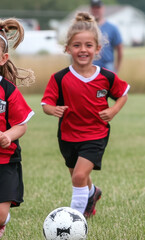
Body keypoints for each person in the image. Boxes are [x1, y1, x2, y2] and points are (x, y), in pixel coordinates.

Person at [41, 12, 129, 219]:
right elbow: (46, 103)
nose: (83, 50)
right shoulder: (60, 78)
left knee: (79, 176)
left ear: (98, 49)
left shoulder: (106, 77)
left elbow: (123, 95)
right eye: (77, 45)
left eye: (89, 45)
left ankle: (74, 220)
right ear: (67, 48)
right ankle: (92, 193)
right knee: (78, 176)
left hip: (95, 134)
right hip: (67, 136)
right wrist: (53, 110)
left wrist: (113, 110)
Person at [0, 18, 35, 238]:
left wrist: (8, 136)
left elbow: (21, 125)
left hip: (5, 161)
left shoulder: (8, 90)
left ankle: (3, 220)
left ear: (3, 59)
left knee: (1, 216)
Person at [90, 0, 123, 72]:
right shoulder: (86, 27)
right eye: (94, 8)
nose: (96, 10)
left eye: (98, 8)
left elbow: (119, 48)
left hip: (107, 65)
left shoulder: (112, 28)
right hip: (90, 65)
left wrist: (117, 67)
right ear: (91, 9)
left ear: (103, 8)